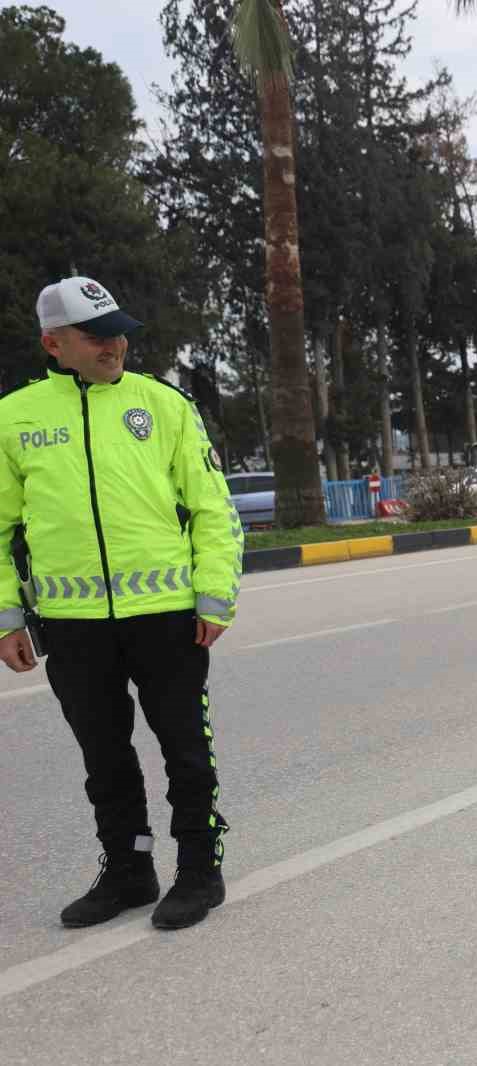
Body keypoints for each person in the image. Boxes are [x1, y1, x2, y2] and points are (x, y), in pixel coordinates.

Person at [0, 277, 243, 930]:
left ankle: (199, 867)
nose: (115, 343)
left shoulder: (164, 405)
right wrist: (6, 618)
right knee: (104, 756)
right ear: (54, 344)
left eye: (118, 330)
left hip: (166, 617)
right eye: (95, 334)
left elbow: (212, 508)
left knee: (184, 747)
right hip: (72, 627)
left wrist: (215, 596)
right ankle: (131, 868)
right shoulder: (14, 418)